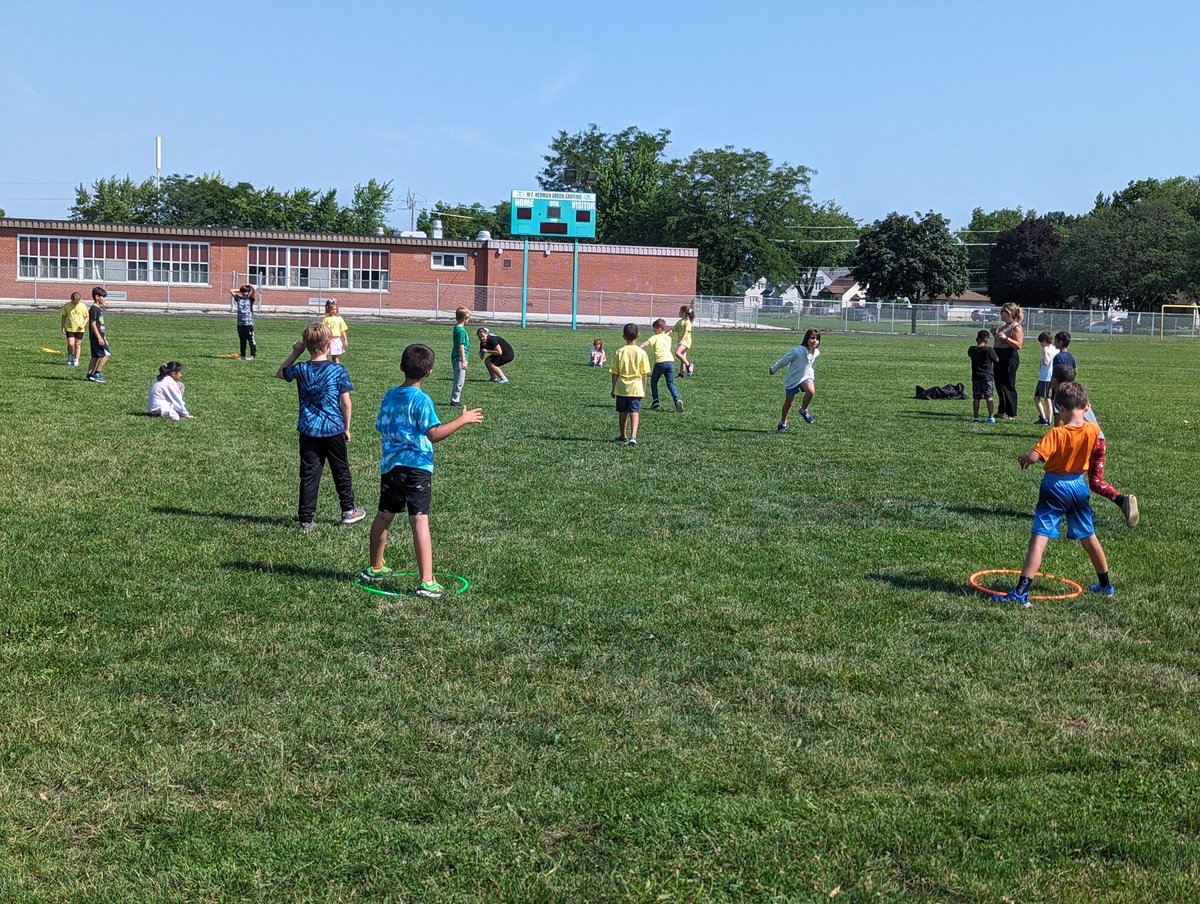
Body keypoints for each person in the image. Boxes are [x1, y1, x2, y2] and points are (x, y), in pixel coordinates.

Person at [360, 343, 483, 598]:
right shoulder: (422, 400)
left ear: (401, 367)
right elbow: (434, 434)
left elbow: (381, 426)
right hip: (417, 468)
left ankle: (375, 566)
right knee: (419, 520)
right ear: (429, 372)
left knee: (384, 515)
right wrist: (463, 419)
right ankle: (427, 581)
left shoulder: (390, 395)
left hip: (391, 467)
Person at [999, 381, 1115, 608]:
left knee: (1039, 539)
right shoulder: (1093, 430)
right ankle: (1106, 585)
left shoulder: (1056, 434)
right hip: (1078, 486)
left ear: (1059, 408)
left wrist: (1025, 457)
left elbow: (1035, 456)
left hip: (1054, 487)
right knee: (1089, 537)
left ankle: (1021, 592)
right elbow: (1095, 440)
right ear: (1087, 407)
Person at [275, 322, 366, 530]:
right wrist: (347, 426)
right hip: (334, 428)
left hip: (309, 429)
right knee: (341, 470)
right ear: (328, 344)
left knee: (309, 473)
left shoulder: (301, 369)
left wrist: (295, 353)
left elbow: (281, 373)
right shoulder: (337, 370)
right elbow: (346, 402)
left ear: (306, 345)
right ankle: (348, 510)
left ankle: (306, 519)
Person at [1051, 362, 1139, 528]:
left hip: (1083, 440)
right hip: (1099, 438)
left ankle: (1086, 512)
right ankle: (1122, 501)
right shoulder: (1079, 391)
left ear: (1054, 380)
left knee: (1072, 476)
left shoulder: (1060, 395)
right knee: (1095, 481)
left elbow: (1059, 424)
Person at [769, 328, 821, 431]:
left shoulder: (816, 352)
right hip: (793, 378)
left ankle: (803, 410)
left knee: (811, 391)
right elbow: (784, 360)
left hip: (806, 377)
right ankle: (783, 422)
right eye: (811, 338)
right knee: (789, 402)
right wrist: (773, 369)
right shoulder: (797, 351)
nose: (814, 341)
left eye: (816, 339)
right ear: (806, 339)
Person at [611, 322, 651, 445]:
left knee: (622, 412)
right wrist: (643, 389)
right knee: (634, 411)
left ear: (623, 337)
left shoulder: (619, 352)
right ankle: (633, 436)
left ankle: (623, 435)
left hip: (622, 387)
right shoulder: (641, 352)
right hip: (636, 387)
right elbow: (644, 374)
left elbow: (615, 372)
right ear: (638, 336)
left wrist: (613, 388)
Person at [640, 318, 683, 412]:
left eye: (654, 329)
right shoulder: (668, 338)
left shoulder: (655, 337)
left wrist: (638, 348)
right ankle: (677, 400)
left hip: (660, 362)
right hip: (670, 362)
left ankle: (655, 400)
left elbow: (647, 343)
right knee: (671, 383)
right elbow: (666, 336)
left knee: (654, 381)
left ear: (659, 329)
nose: (653, 331)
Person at [991, 302, 1024, 419]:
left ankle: (1011, 412)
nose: (1001, 314)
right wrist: (995, 334)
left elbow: (1018, 345)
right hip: (999, 356)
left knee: (1008, 384)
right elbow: (1000, 340)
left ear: (1010, 313)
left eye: (1003, 311)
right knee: (999, 384)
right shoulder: (1004, 326)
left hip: (1009, 357)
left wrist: (1006, 338)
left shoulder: (1016, 327)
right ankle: (1001, 411)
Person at [967, 329, 998, 424]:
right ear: (987, 340)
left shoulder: (972, 350)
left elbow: (970, 354)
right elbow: (996, 360)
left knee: (976, 397)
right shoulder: (989, 350)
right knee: (989, 396)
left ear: (977, 339)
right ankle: (990, 417)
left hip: (976, 376)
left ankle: (976, 416)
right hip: (987, 377)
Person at [85, 287, 110, 383]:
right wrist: (99, 337)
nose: (105, 299)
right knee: (106, 355)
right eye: (103, 297)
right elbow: (93, 324)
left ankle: (89, 374)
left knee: (95, 356)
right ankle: (97, 374)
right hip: (96, 337)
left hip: (99, 337)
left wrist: (104, 337)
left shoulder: (98, 309)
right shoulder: (94, 309)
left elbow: (101, 325)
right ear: (97, 297)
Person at [1034, 331, 1058, 425]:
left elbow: (1045, 362)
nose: (1040, 344)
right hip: (1053, 376)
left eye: (1041, 342)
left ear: (1044, 341)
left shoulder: (1047, 350)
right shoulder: (1055, 349)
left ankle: (1044, 418)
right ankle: (1049, 419)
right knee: (1049, 398)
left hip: (1045, 377)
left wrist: (1044, 351)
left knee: (1037, 398)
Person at [60, 291, 89, 367]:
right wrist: (63, 327)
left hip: (79, 329)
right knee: (70, 344)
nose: (75, 303)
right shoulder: (67, 305)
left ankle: (76, 360)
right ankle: (70, 356)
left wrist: (83, 324)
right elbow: (64, 316)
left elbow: (87, 316)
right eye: (74, 301)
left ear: (80, 299)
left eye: (77, 301)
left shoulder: (83, 306)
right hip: (70, 327)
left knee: (77, 344)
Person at [229, 284, 257, 360]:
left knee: (251, 339)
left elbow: (254, 289)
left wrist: (249, 286)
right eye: (243, 292)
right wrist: (241, 290)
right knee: (242, 340)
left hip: (249, 323)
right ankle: (243, 356)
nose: (244, 293)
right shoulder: (238, 299)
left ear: (249, 292)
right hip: (240, 324)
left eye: (246, 292)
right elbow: (231, 290)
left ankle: (252, 355)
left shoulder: (251, 299)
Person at [450, 307, 471, 405]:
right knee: (459, 380)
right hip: (459, 358)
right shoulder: (461, 331)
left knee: (458, 378)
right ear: (464, 318)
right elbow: (461, 345)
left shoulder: (457, 328)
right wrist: (463, 360)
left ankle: (455, 398)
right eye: (468, 318)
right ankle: (455, 400)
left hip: (455, 357)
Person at [322, 300, 349, 364]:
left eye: (335, 309)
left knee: (335, 357)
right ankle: (324, 366)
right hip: (328, 340)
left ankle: (337, 367)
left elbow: (342, 330)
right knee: (325, 355)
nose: (334, 311)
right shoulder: (326, 319)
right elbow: (323, 330)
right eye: (332, 309)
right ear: (328, 309)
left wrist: (345, 341)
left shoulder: (339, 318)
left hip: (336, 340)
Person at [673, 304, 695, 375]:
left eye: (680, 311)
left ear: (684, 313)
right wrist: (665, 333)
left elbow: (686, 331)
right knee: (683, 356)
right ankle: (681, 373)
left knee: (677, 353)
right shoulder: (680, 322)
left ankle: (689, 365)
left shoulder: (687, 322)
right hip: (681, 341)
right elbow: (673, 329)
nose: (678, 312)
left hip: (686, 341)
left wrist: (682, 340)